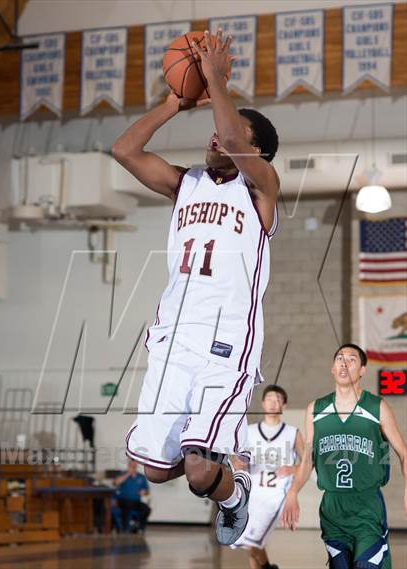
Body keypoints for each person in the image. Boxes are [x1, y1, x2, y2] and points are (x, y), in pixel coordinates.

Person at [112, 29, 280, 545]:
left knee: (202, 473)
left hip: (225, 343)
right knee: (158, 471)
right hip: (173, 341)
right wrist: (173, 101)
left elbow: (231, 138)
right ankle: (219, 471)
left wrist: (214, 80)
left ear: (257, 152)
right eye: (210, 130)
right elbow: (124, 148)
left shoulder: (262, 190)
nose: (215, 137)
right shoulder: (185, 183)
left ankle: (233, 491)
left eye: (229, 135)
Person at [282, 343, 407, 569]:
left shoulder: (377, 407)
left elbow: (404, 454)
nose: (344, 363)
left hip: (366, 506)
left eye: (351, 359)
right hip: (332, 508)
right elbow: (308, 458)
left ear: (362, 371)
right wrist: (292, 491)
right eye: (339, 358)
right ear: (332, 368)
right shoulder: (315, 409)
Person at [232, 385, 304, 569]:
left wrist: (293, 468)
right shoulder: (249, 431)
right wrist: (238, 464)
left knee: (252, 542)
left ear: (284, 405)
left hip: (277, 496)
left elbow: (308, 464)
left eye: (278, 399)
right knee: (251, 545)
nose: (273, 402)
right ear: (263, 403)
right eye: (269, 399)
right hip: (253, 494)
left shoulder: (292, 433)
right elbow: (238, 462)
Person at [114, 460, 151, 533]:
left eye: (134, 465)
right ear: (128, 465)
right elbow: (116, 483)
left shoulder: (141, 477)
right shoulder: (122, 474)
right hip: (123, 501)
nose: (133, 466)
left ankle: (139, 527)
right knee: (126, 508)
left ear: (136, 466)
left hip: (136, 502)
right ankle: (125, 528)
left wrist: (144, 492)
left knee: (146, 509)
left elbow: (147, 491)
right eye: (131, 465)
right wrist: (128, 474)